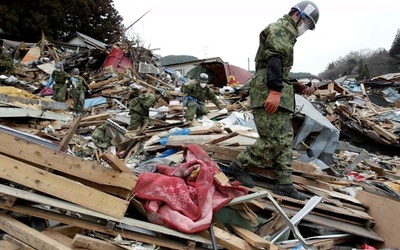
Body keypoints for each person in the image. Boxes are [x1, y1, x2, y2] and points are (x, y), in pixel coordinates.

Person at [228, 1, 320, 201]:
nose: (305, 30)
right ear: (297, 15)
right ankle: (238, 166)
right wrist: (275, 91)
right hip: (267, 91)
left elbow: (279, 66)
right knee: (274, 140)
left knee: (285, 141)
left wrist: (296, 86)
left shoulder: (287, 33)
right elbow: (274, 60)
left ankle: (284, 183)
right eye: (307, 24)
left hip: (278, 90)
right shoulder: (282, 28)